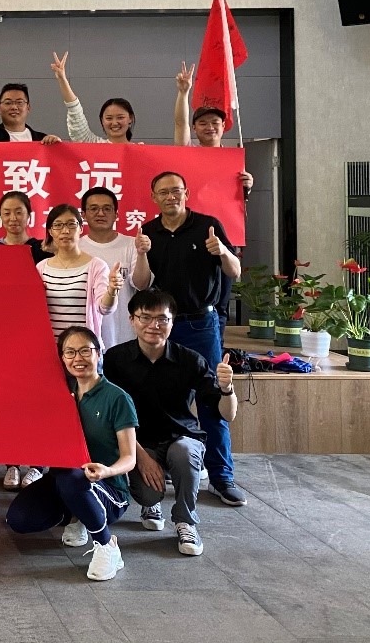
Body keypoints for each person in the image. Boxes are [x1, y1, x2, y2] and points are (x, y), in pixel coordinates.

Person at [102, 289, 238, 556]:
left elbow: (227, 414)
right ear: (132, 320)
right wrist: (141, 457)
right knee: (149, 494)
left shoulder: (190, 359)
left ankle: (186, 522)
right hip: (139, 443)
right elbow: (111, 416)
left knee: (185, 451)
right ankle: (150, 505)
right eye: (145, 317)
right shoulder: (115, 360)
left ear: (172, 322)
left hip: (181, 437)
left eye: (162, 319)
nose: (154, 325)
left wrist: (227, 388)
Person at [141, 171, 246, 507]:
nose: (170, 196)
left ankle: (221, 477)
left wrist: (222, 252)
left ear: (186, 193)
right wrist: (141, 253)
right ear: (154, 197)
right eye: (163, 192)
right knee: (167, 401)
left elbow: (235, 271)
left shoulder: (207, 226)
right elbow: (142, 282)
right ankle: (173, 467)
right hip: (164, 327)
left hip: (202, 324)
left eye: (176, 190)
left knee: (210, 398)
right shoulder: (148, 231)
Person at [5, 326, 137, 581]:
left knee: (72, 478)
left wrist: (107, 471)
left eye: (85, 351)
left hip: (108, 489)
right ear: (62, 358)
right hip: (64, 480)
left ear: (98, 353)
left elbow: (129, 457)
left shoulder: (117, 397)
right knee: (19, 519)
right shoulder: (60, 392)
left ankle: (106, 545)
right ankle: (78, 516)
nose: (78, 358)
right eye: (70, 352)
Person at [0, 190, 51, 491]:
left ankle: (37, 464)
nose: (13, 218)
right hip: (3, 335)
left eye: (19, 211)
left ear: (29, 216)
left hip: (39, 333)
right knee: (8, 401)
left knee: (38, 401)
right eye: (7, 212)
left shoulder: (43, 250)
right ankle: (12, 463)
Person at [79, 187, 153, 349]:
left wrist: (141, 254)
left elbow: (142, 285)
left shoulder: (132, 244)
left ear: (116, 214)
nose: (100, 213)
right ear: (83, 215)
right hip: (86, 339)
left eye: (107, 209)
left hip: (124, 334)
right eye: (94, 208)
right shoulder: (76, 247)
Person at [36, 203, 119, 340]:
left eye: (71, 224)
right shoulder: (41, 267)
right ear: (50, 231)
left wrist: (112, 290)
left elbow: (104, 308)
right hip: (50, 345)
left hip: (83, 347)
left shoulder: (96, 266)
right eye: (58, 225)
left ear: (81, 228)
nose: (65, 231)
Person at [172, 63, 254, 196]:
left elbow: (236, 197)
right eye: (203, 123)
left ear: (223, 126)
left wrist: (247, 186)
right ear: (194, 128)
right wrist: (183, 93)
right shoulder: (187, 152)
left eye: (215, 122)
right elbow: (180, 123)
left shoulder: (232, 160)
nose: (210, 127)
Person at [49, 51, 138, 144]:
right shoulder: (93, 144)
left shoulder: (140, 150)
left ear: (130, 119)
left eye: (120, 117)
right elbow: (75, 114)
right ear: (102, 121)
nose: (114, 123)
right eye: (109, 118)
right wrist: (62, 79)